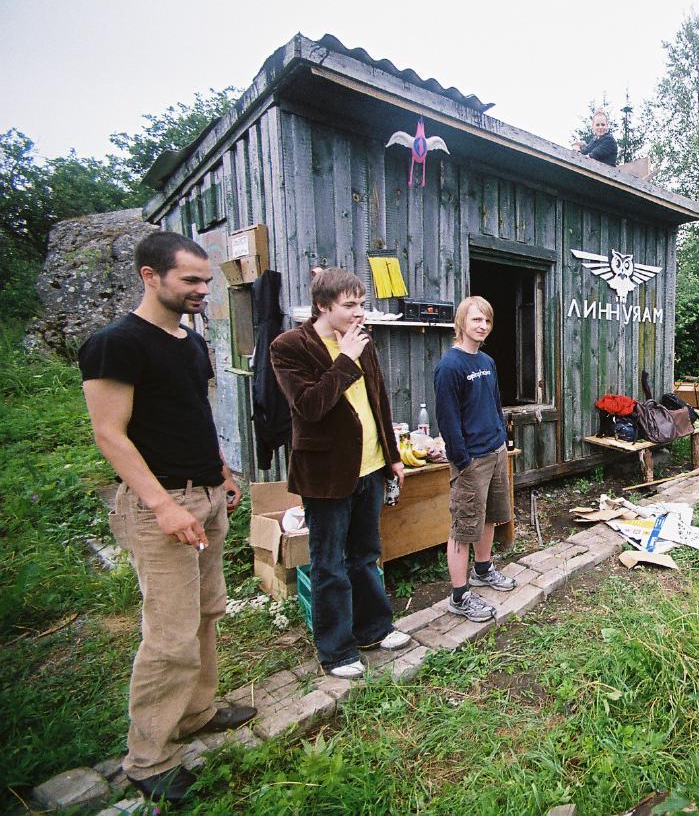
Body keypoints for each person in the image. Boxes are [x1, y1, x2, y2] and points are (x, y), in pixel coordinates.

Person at [80, 231, 256, 805]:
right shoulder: (116, 345)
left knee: (206, 612)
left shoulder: (190, 342)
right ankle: (148, 757)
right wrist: (162, 505)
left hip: (206, 495)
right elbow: (110, 434)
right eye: (191, 280)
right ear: (150, 276)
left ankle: (196, 712)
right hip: (163, 506)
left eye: (206, 279)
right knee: (169, 633)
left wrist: (222, 472)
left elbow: (192, 414)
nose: (203, 289)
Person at [270, 269, 412, 679]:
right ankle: (335, 651)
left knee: (365, 556)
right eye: (349, 305)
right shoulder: (289, 346)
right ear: (322, 305)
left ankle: (374, 629)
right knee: (329, 563)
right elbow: (310, 407)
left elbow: (378, 398)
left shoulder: (361, 339)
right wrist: (345, 359)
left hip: (370, 466)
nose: (359, 313)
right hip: (326, 474)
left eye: (361, 304)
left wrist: (392, 455)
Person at [434, 296, 517, 621]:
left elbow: (495, 404)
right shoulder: (450, 366)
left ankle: (483, 570)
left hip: (495, 451)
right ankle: (459, 596)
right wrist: (463, 460)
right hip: (471, 460)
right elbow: (448, 420)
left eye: (487, 321)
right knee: (463, 527)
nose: (482, 326)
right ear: (461, 323)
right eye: (476, 320)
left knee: (490, 516)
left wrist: (501, 439)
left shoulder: (487, 361)